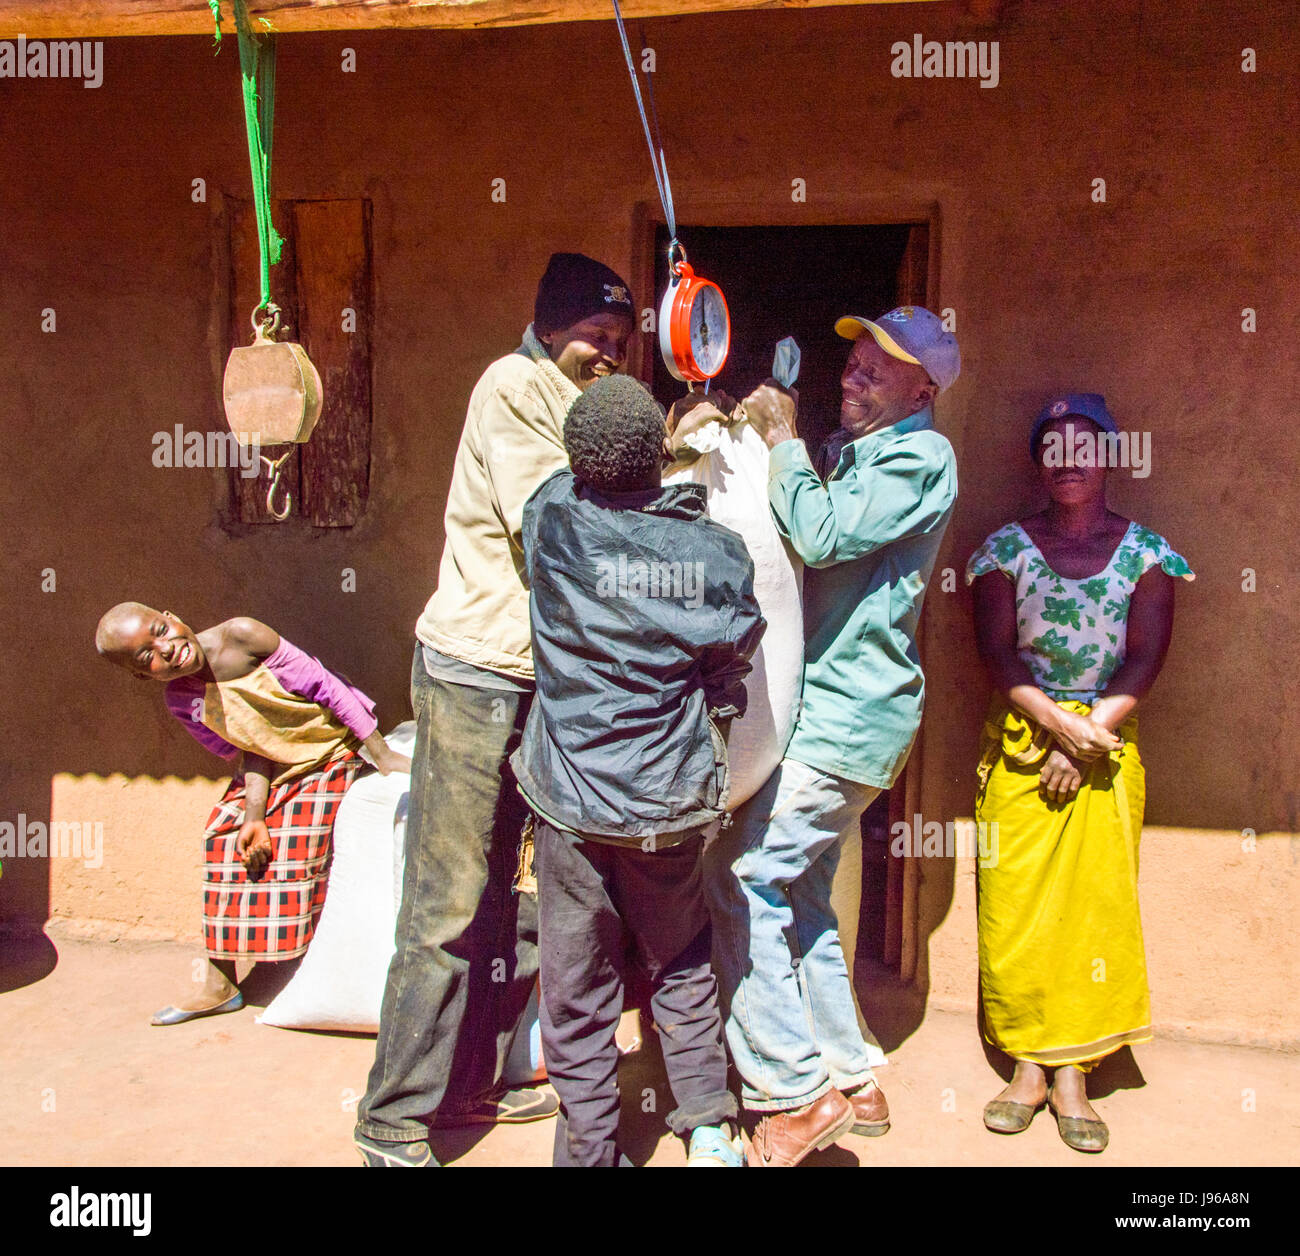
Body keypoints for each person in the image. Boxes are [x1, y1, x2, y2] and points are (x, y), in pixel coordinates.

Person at [353, 253, 636, 1167]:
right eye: (597, 337)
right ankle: (393, 1120)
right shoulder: (513, 386)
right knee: (442, 905)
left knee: (507, 900)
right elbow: (551, 519)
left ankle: (472, 1078)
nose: (609, 356)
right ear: (553, 327)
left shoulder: (579, 402)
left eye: (623, 344)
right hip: (476, 674)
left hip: (538, 682)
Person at [705, 305, 960, 1167]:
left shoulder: (923, 458)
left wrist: (778, 444)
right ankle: (851, 1074)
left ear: (923, 389)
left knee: (744, 880)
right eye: (852, 360)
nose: (852, 375)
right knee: (804, 897)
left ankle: (790, 1095)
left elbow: (818, 535)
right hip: (841, 713)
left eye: (877, 368)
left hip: (848, 715)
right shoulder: (868, 455)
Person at [512, 374, 765, 1167]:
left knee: (577, 989)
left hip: (571, 810)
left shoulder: (552, 522)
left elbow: (565, 479)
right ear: (659, 451)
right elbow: (736, 648)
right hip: (666, 804)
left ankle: (589, 1151)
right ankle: (709, 1129)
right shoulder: (715, 554)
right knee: (680, 957)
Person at [967, 393, 1193, 1153]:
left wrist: (1086, 734)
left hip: (1106, 746)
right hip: (1024, 747)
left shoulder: (1148, 555)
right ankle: (1029, 1067)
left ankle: (1075, 1077)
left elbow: (1144, 659)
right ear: (1039, 464)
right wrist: (1054, 725)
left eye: (1084, 449)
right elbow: (997, 656)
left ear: (1110, 459)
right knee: (1020, 909)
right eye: (1053, 450)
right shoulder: (1003, 550)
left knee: (1093, 914)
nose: (1069, 464)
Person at [94, 603, 410, 1024]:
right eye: (146, 655)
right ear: (142, 675)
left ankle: (297, 958)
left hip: (332, 749)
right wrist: (253, 815)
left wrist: (383, 756)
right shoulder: (182, 699)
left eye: (161, 630)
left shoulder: (243, 636)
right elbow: (252, 748)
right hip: (276, 767)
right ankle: (220, 981)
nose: (166, 648)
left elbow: (327, 688)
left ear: (173, 616)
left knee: (297, 831)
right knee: (224, 833)